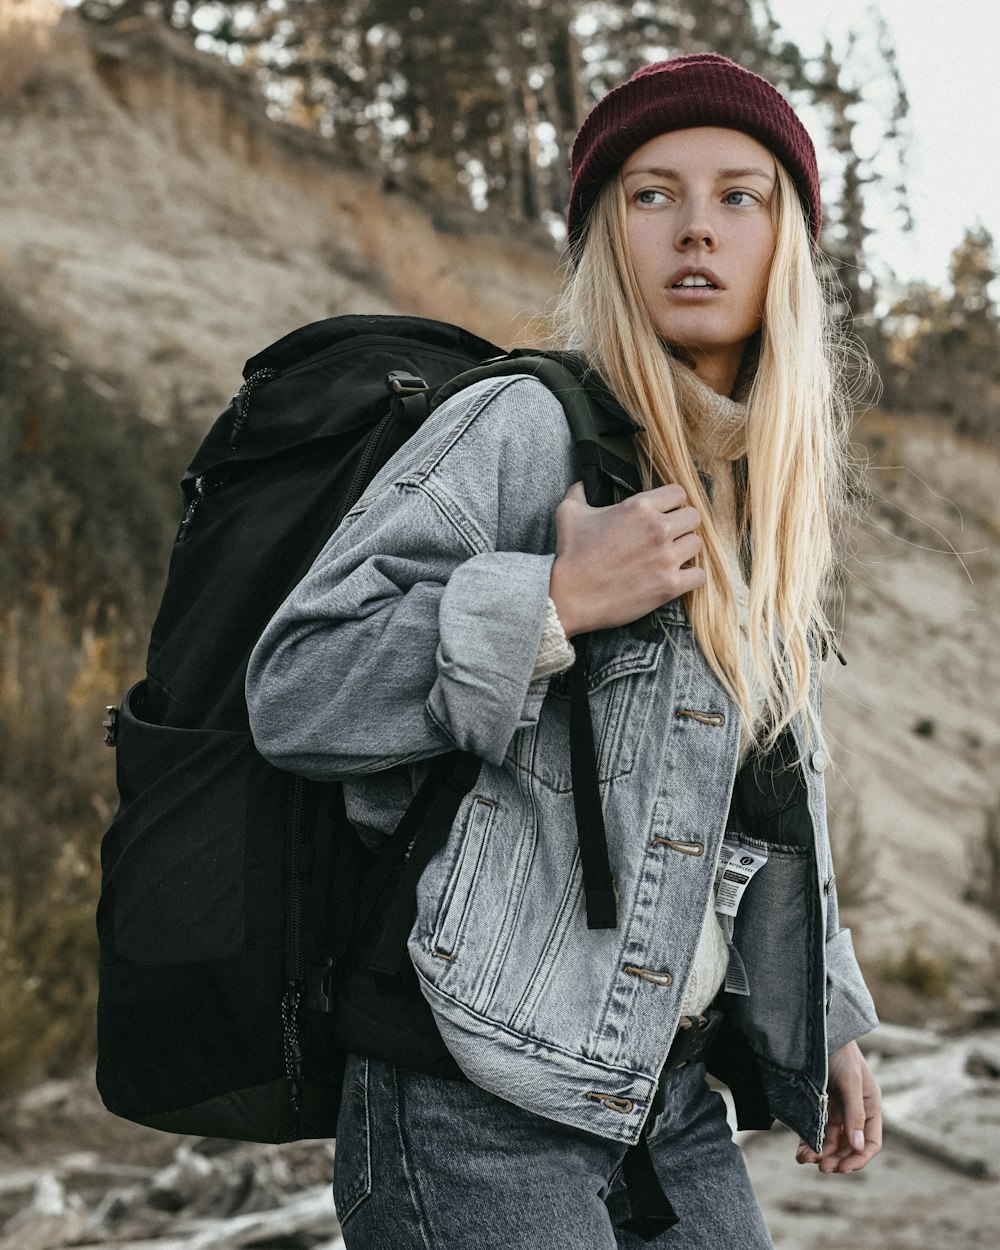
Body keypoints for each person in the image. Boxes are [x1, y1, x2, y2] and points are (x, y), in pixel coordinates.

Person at [246, 52, 882, 1250]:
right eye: (651, 194)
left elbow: (765, 790)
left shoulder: (762, 487)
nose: (696, 228)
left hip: (661, 1093)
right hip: (466, 1089)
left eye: (739, 195)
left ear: (786, 239)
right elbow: (296, 690)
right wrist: (547, 597)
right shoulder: (520, 424)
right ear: (604, 233)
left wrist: (827, 1010)